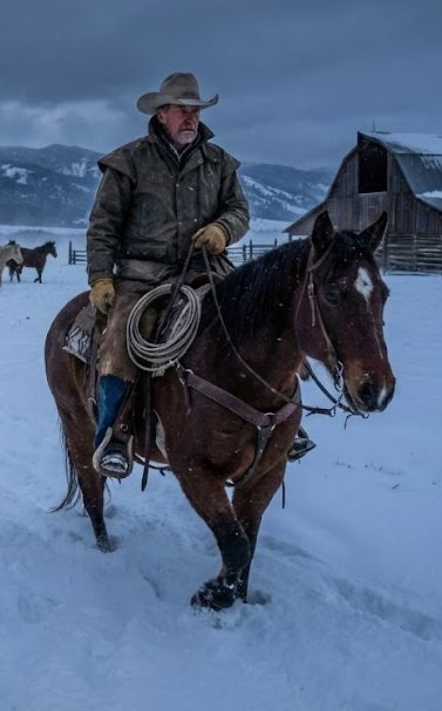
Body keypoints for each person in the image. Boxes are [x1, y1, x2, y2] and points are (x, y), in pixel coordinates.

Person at [85, 72, 315, 478]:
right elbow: (103, 225)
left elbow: (239, 211)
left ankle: (284, 422)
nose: (190, 118)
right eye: (181, 110)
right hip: (144, 274)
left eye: (194, 111)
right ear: (161, 115)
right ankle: (115, 435)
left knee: (261, 327)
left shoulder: (220, 163)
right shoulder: (128, 162)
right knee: (120, 340)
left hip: (207, 269)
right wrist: (102, 278)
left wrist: (223, 229)